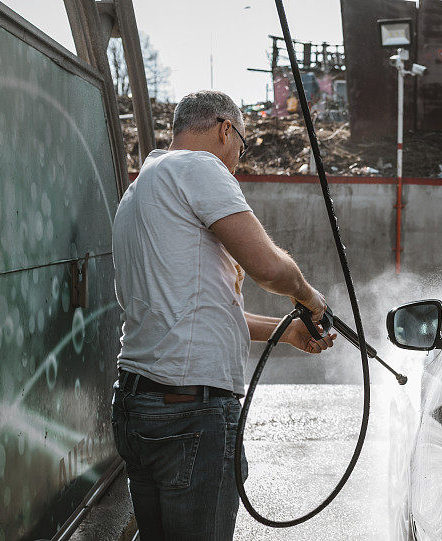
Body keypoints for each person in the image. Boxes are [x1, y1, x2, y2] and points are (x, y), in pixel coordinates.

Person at [110, 90, 336, 540]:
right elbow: (270, 268)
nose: (239, 159)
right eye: (242, 145)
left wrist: (284, 330)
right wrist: (311, 300)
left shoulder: (140, 190)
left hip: (139, 405)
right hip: (189, 413)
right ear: (224, 129)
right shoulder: (199, 167)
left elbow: (192, 312)